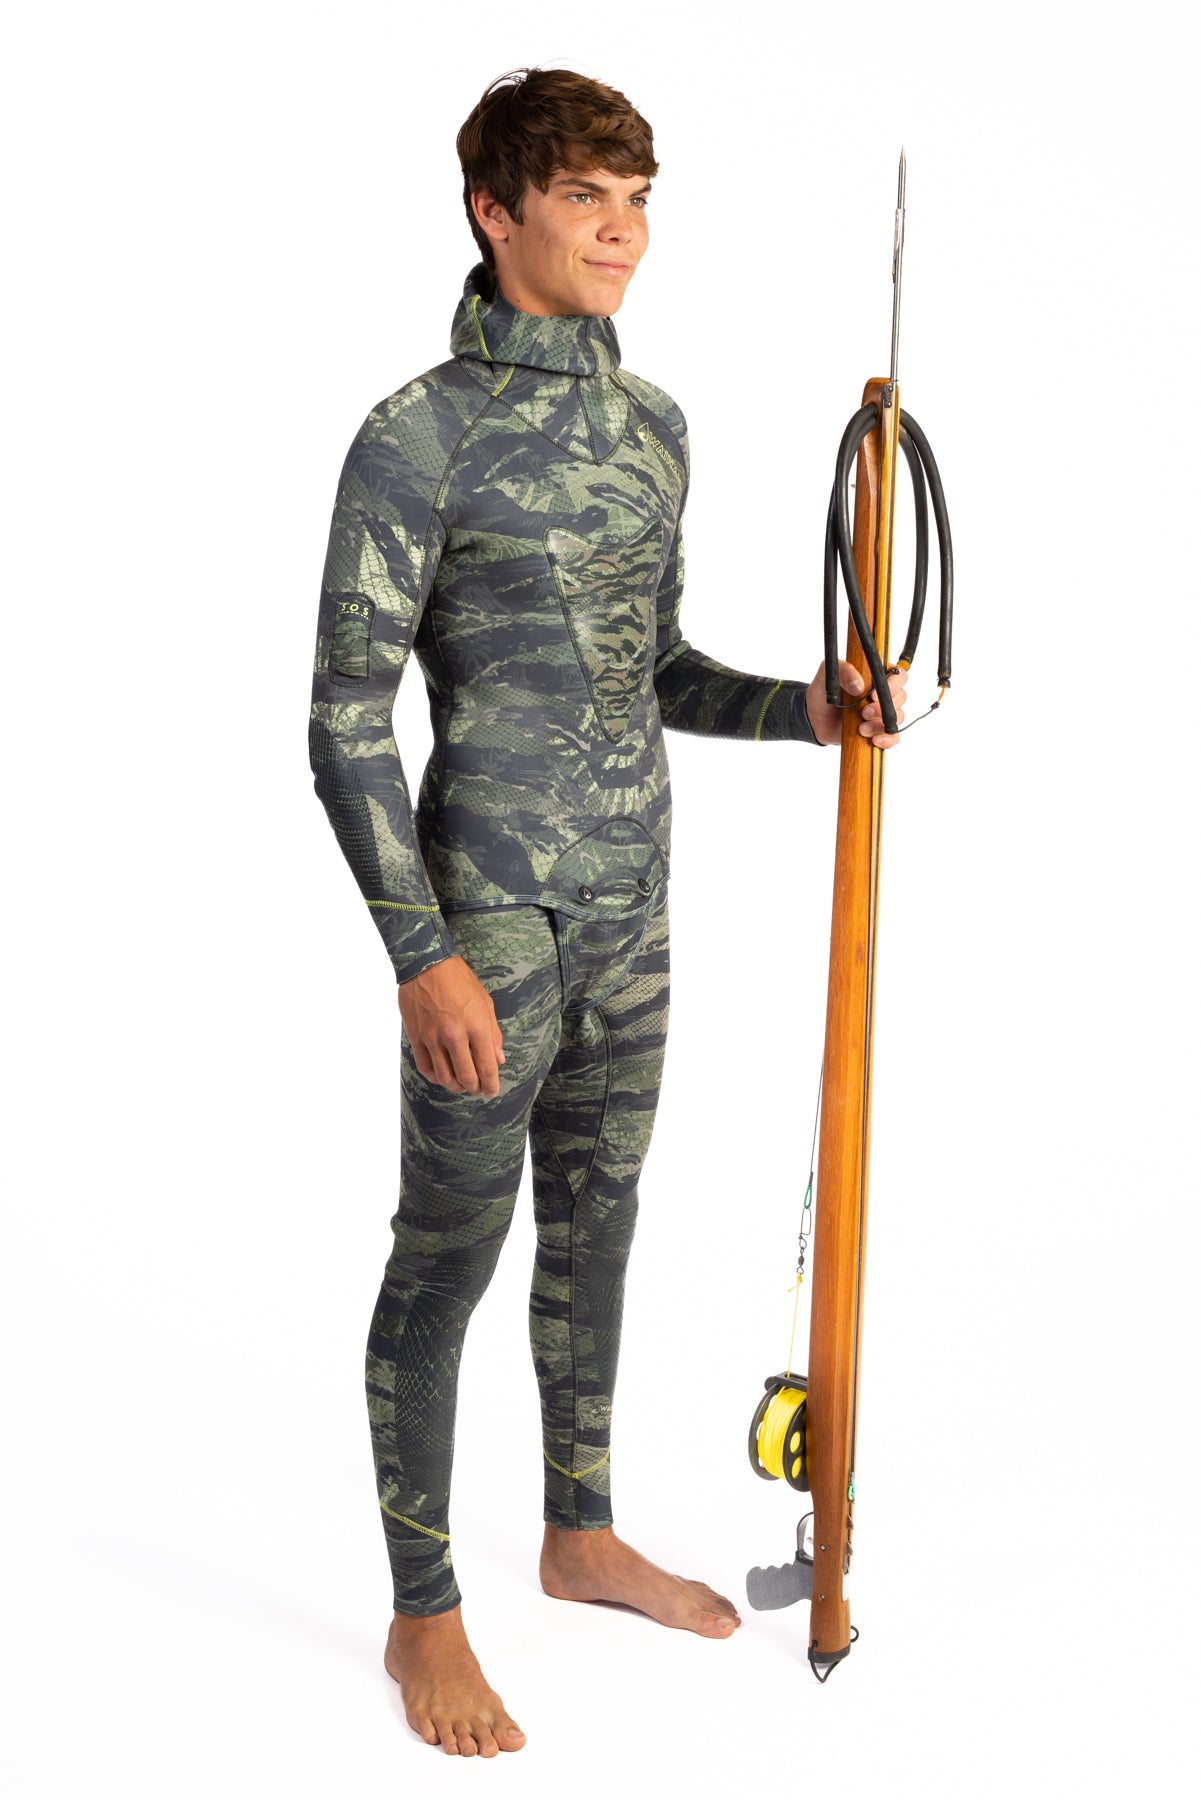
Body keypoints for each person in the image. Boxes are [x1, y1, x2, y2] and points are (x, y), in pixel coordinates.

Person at [308, 66, 906, 1758]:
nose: (621, 227)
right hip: (488, 923)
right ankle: (423, 1613)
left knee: (597, 1221)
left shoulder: (654, 429)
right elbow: (344, 717)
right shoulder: (416, 434)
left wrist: (802, 709)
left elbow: (652, 670)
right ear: (495, 214)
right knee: (447, 1257)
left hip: (634, 904)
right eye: (583, 196)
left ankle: (578, 1533)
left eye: (635, 196)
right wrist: (421, 952)